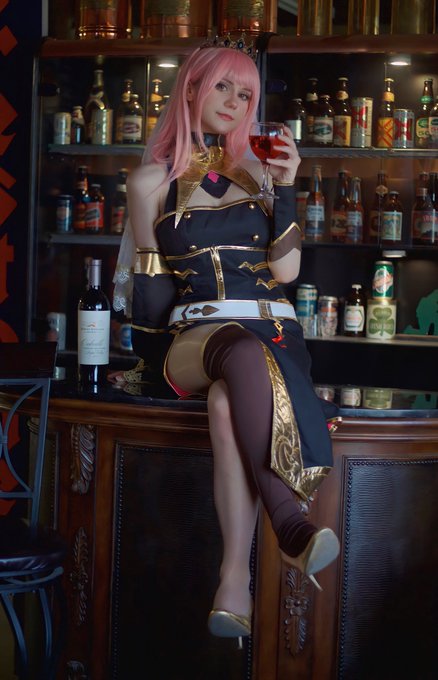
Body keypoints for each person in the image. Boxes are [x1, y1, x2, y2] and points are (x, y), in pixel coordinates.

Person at [109, 37, 340, 640]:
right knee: (237, 352)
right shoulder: (149, 182)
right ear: (190, 88)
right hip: (196, 337)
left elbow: (287, 272)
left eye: (247, 94)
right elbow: (152, 292)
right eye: (223, 87)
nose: (236, 102)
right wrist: (144, 360)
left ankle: (233, 579)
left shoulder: (263, 171)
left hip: (275, 330)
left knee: (224, 402)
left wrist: (287, 186)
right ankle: (290, 523)